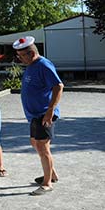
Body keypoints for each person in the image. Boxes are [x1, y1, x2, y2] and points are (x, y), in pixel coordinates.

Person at [13, 36, 64, 196]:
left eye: (21, 56)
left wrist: (50, 111)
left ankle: (47, 183)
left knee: (43, 147)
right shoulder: (31, 65)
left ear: (30, 53)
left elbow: (58, 86)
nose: (19, 59)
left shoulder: (43, 65)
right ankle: (52, 174)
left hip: (44, 114)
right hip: (35, 115)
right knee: (35, 142)